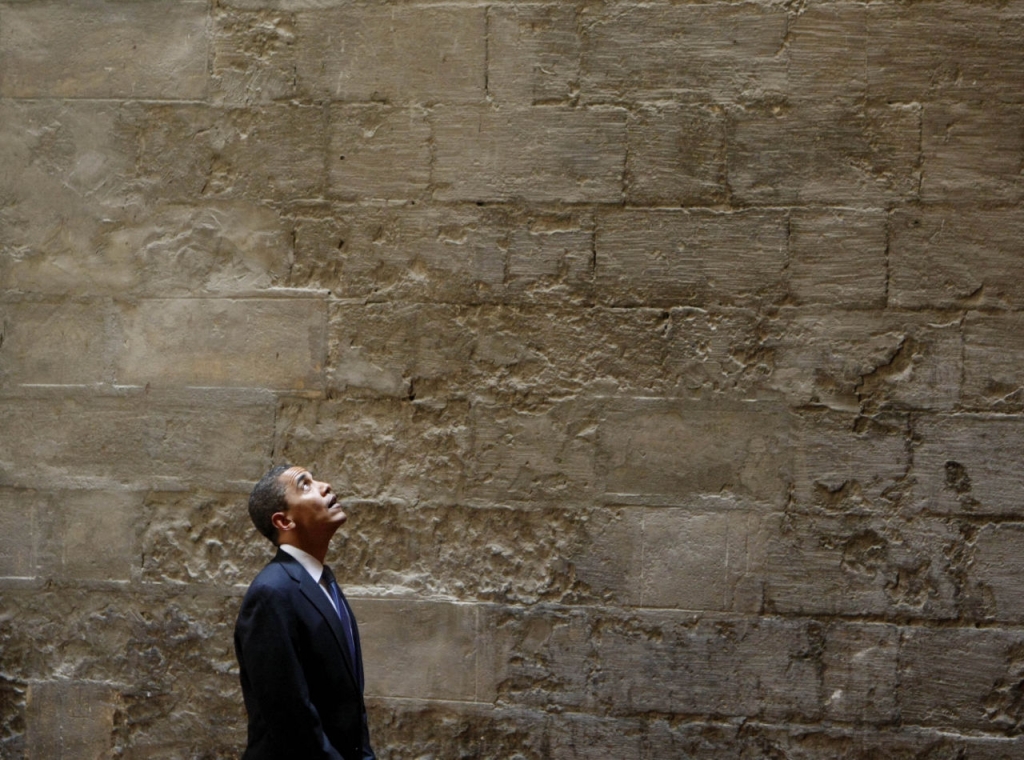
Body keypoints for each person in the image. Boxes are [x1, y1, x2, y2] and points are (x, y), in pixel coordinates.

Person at [234, 464, 375, 760]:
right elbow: (290, 717)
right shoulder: (271, 592)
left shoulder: (325, 582)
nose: (324, 486)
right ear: (284, 521)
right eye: (305, 484)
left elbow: (347, 703)